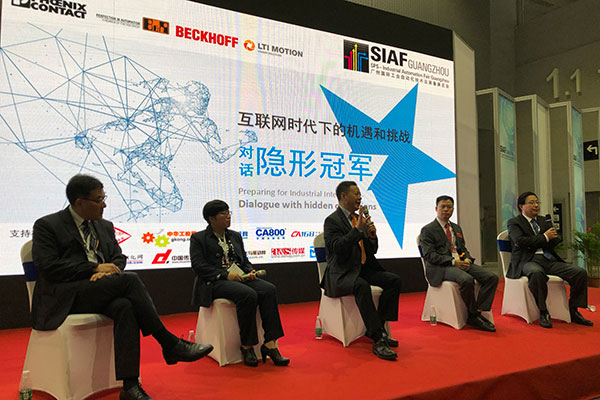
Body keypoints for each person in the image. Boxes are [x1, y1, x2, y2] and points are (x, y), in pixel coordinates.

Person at [31, 174, 213, 400]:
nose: (104, 205)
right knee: (129, 280)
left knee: (125, 306)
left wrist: (109, 271)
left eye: (104, 198)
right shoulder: (48, 225)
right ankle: (169, 343)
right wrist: (93, 269)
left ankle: (130, 386)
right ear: (79, 202)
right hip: (66, 296)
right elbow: (48, 266)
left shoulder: (104, 226)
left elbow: (119, 257)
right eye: (99, 200)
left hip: (99, 289)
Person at [189, 200, 289, 367]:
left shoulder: (235, 236)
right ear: (211, 218)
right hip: (215, 281)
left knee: (268, 289)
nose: (228, 216)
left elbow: (244, 261)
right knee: (247, 294)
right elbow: (198, 266)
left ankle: (270, 344)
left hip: (239, 278)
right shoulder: (198, 238)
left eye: (229, 213)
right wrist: (226, 275)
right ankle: (247, 346)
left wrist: (249, 272)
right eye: (223, 214)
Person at [321, 181, 402, 360]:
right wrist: (357, 230)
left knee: (393, 280)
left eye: (360, 194)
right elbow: (337, 248)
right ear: (343, 196)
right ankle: (378, 338)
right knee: (361, 286)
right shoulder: (332, 221)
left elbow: (372, 251)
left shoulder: (360, 219)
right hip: (341, 273)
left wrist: (372, 236)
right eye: (356, 194)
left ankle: (378, 328)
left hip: (362, 269)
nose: (360, 197)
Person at [507, 191, 593, 328]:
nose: (536, 205)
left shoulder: (543, 221)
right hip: (528, 261)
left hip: (548, 259)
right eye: (531, 203)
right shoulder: (514, 223)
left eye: (537, 202)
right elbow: (520, 241)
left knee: (579, 272)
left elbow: (551, 242)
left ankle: (573, 310)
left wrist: (552, 238)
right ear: (521, 206)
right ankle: (543, 312)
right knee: (536, 273)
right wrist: (545, 237)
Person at [420, 195, 498, 332]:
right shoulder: (428, 230)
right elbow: (429, 255)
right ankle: (473, 316)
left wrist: (466, 258)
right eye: (443, 207)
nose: (446, 210)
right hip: (441, 267)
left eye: (449, 207)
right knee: (467, 279)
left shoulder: (456, 228)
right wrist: (453, 262)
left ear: (453, 209)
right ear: (436, 209)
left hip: (460, 263)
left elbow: (462, 249)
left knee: (491, 277)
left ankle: (480, 310)